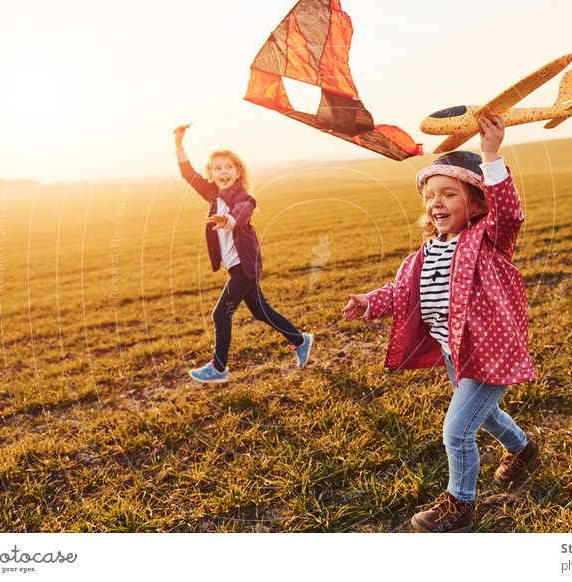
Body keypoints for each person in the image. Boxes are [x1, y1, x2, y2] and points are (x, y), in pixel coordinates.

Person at [342, 112, 539, 532]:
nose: (436, 203)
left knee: (457, 431)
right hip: (456, 352)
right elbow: (401, 292)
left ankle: (459, 504)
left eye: (449, 194)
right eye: (430, 195)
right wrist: (369, 302)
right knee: (482, 417)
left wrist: (491, 154)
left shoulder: (486, 240)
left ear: (477, 201)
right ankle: (524, 450)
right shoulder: (426, 252)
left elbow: (511, 215)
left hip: (489, 349)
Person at [174, 124, 313, 383]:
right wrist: (179, 146)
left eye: (228, 167)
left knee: (220, 314)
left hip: (244, 265)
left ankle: (218, 368)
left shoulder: (244, 198)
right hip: (235, 266)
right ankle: (300, 340)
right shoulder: (212, 195)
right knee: (261, 311)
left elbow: (240, 213)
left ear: (237, 172)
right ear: (212, 174)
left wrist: (226, 219)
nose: (222, 172)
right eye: (217, 168)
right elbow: (189, 175)